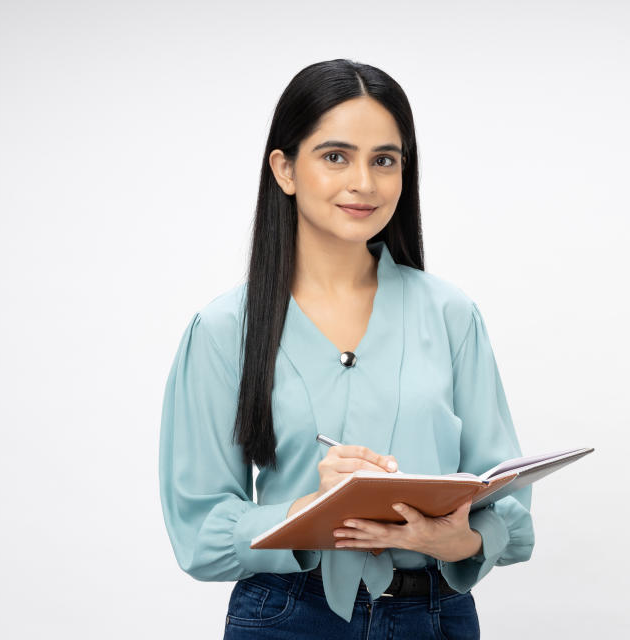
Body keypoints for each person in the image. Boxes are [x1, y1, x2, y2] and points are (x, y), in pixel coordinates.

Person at [158, 59, 535, 639]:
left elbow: (507, 504)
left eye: (384, 160)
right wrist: (312, 511)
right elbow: (201, 532)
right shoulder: (222, 328)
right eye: (336, 156)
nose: (364, 182)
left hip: (434, 614)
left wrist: (459, 540)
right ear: (284, 169)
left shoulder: (450, 313)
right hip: (288, 616)